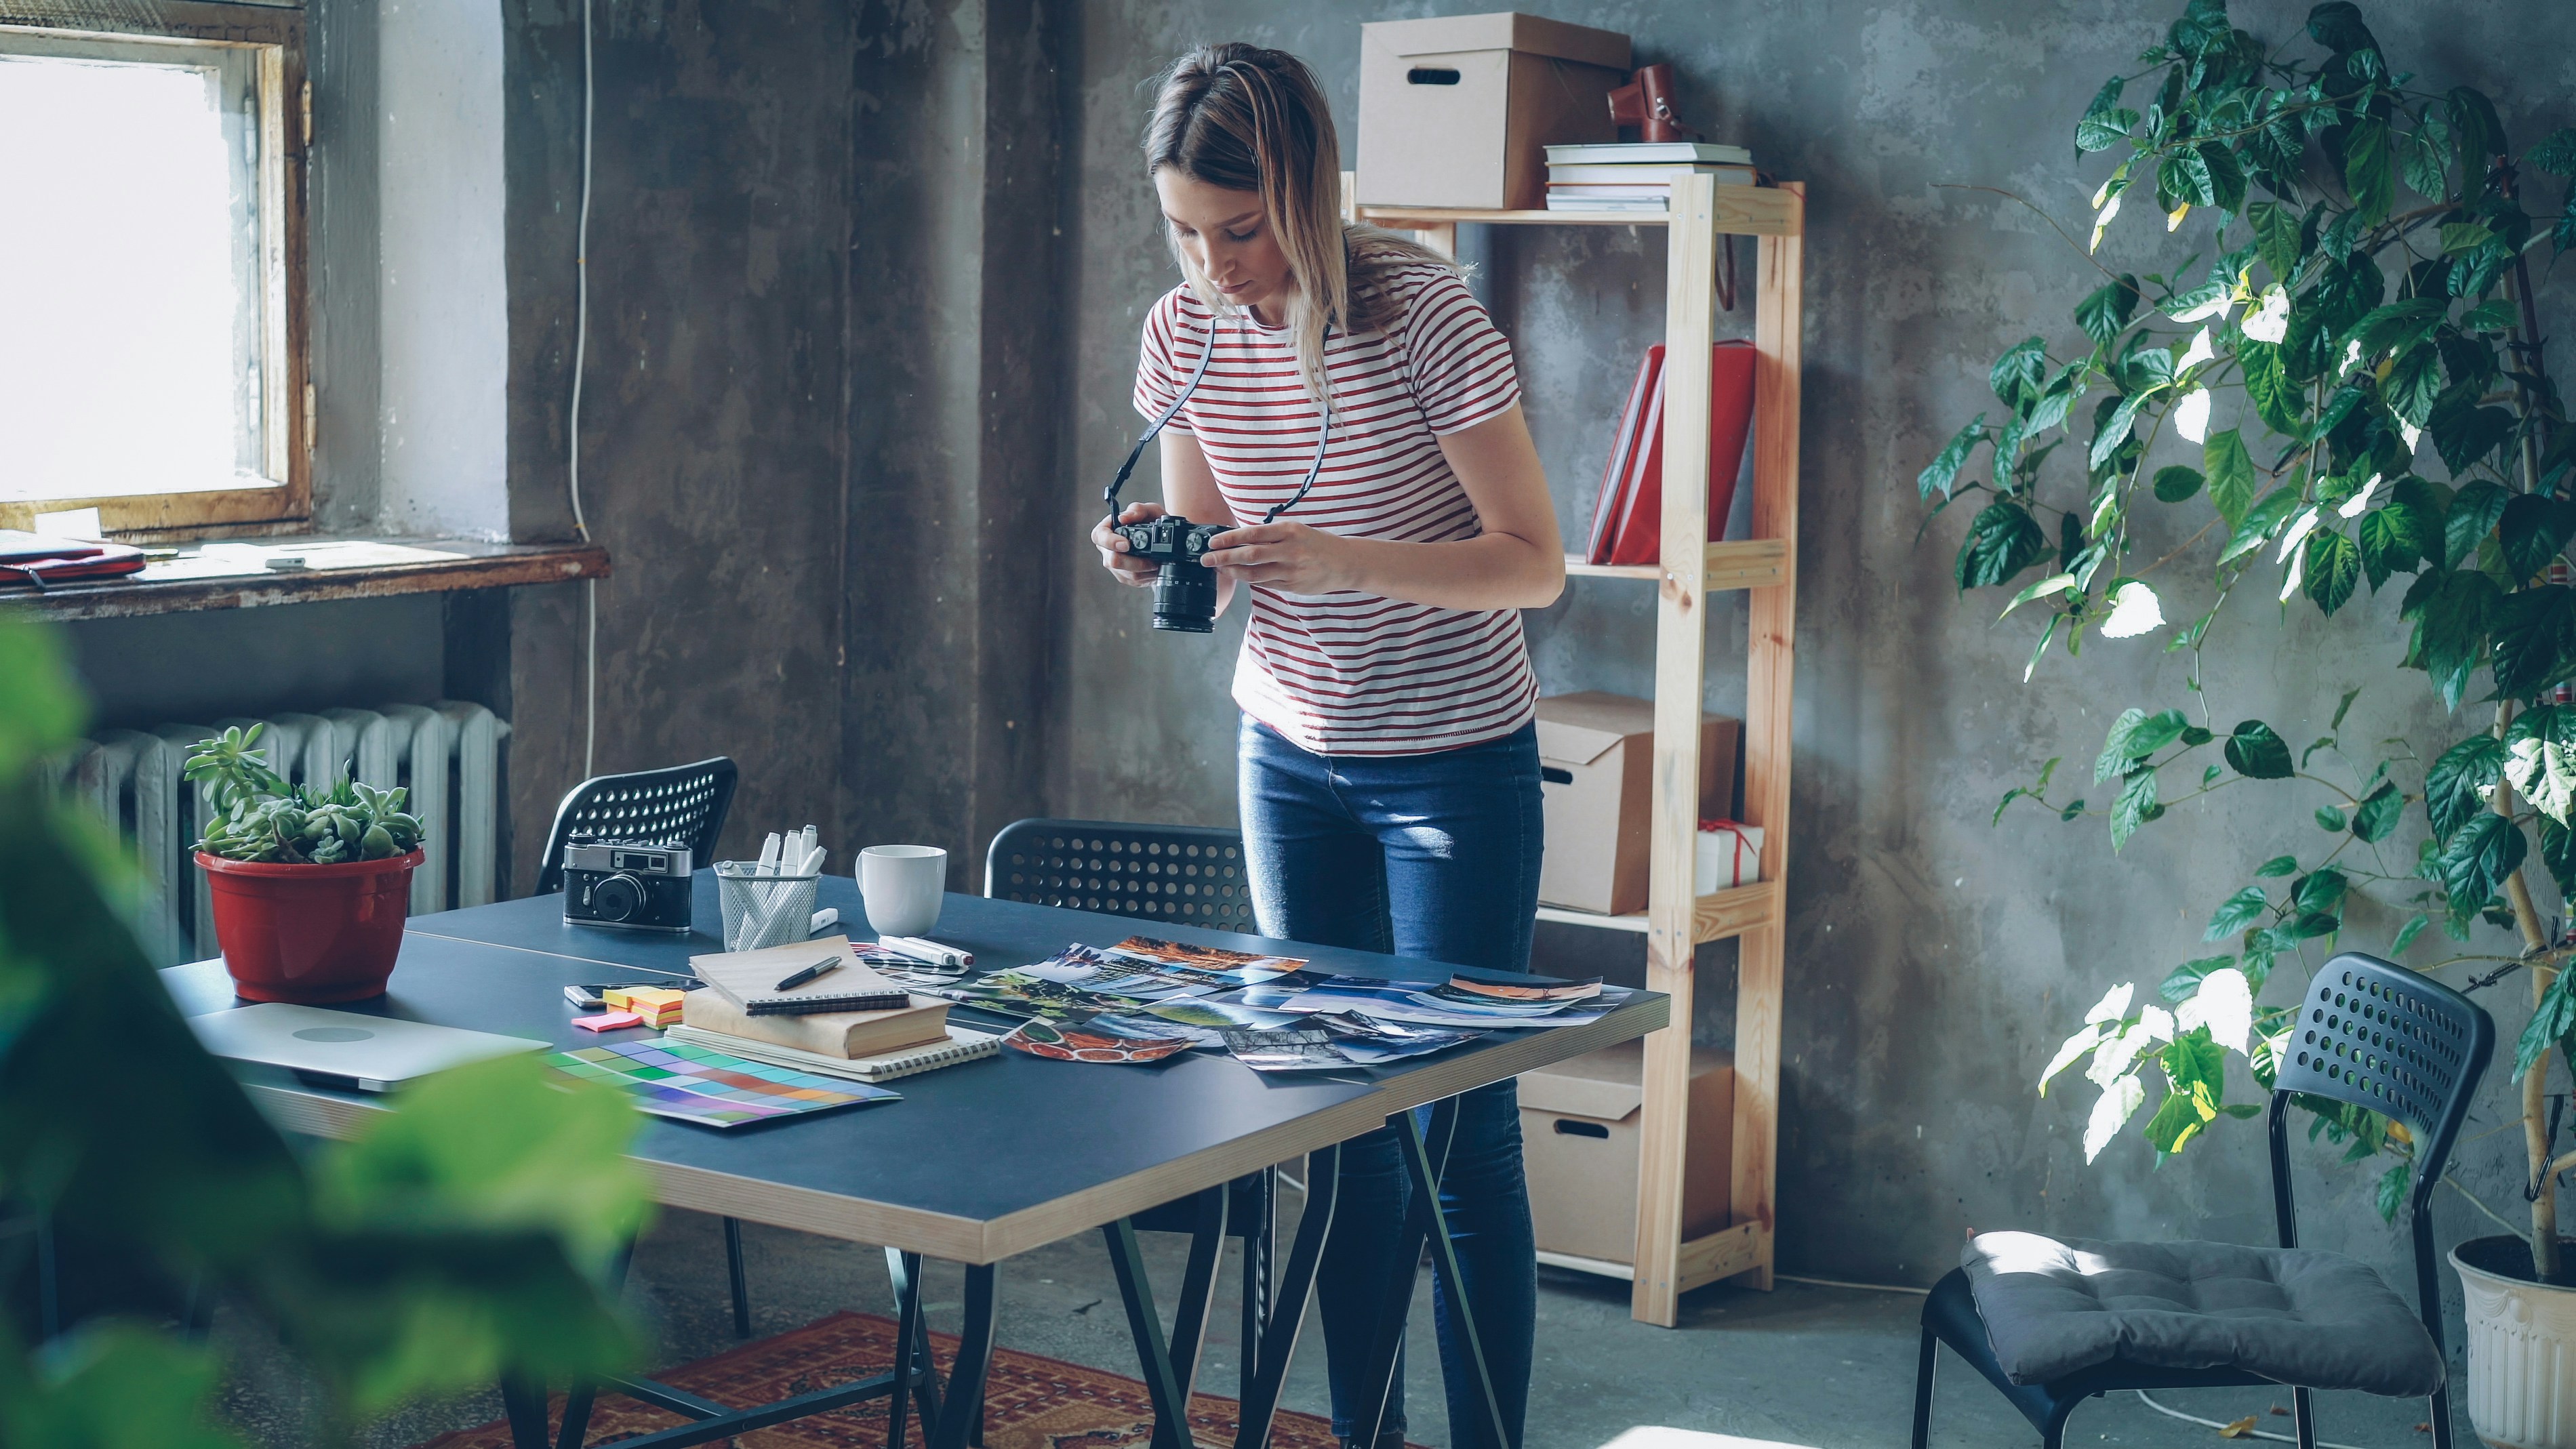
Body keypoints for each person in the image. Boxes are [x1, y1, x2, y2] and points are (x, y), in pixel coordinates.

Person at [1090, 42, 1563, 1449]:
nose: (1213, 261)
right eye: (1182, 227)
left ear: (1303, 189)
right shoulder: (1181, 332)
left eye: (1237, 229)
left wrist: (1337, 554)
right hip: (1289, 756)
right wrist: (1157, 553)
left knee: (1458, 1132)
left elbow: (1533, 564)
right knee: (1343, 1131)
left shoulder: (1423, 312)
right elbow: (1222, 549)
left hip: (1454, 763)